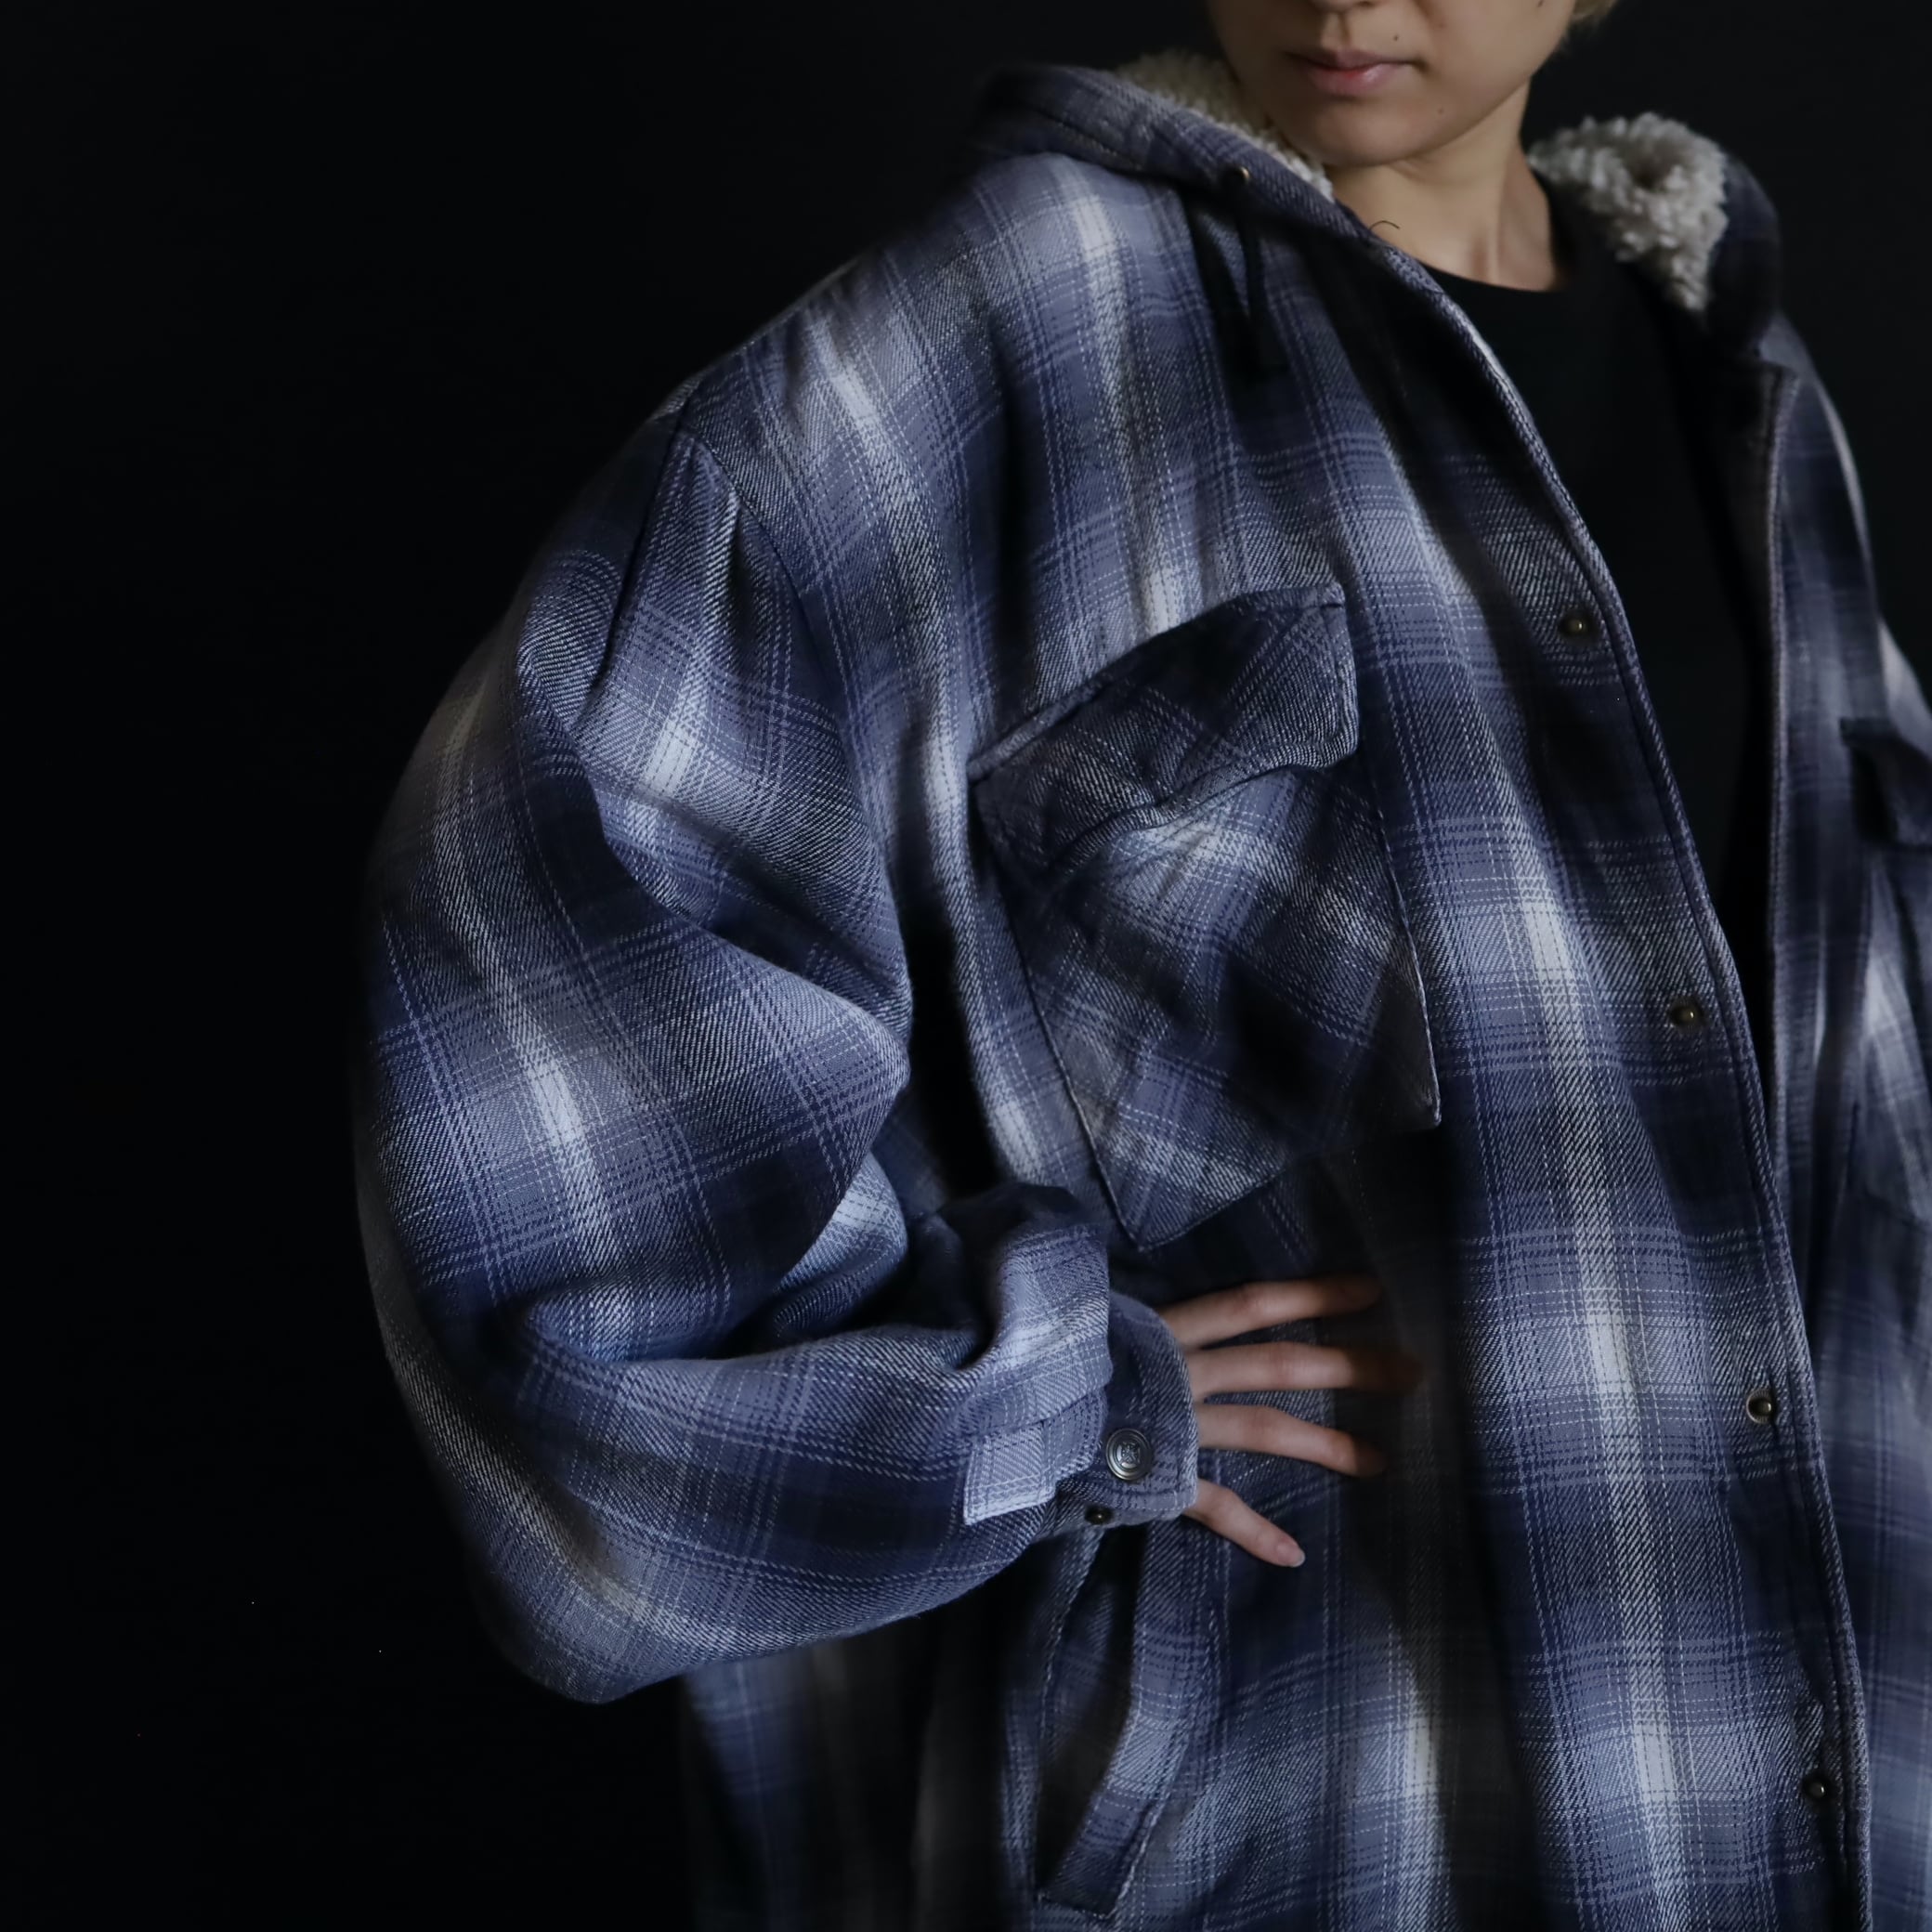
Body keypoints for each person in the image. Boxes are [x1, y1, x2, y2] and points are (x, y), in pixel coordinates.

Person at [348, 1, 1931, 1925]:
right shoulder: (986, 348)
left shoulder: (1745, 390)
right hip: (1294, 1806)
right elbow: (561, 939)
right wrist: (1022, 1406)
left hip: (1805, 1798)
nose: (1342, 1)